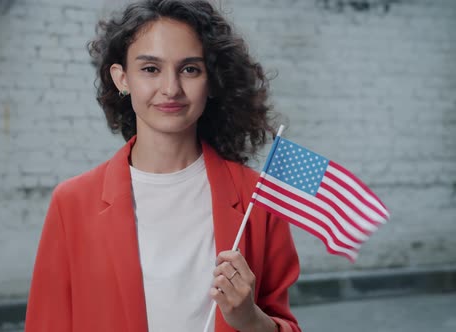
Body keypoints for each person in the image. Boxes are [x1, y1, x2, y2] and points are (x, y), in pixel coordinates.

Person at [25, 0, 301, 331]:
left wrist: (250, 320)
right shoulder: (72, 203)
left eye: (190, 69)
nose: (171, 89)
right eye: (150, 69)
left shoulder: (257, 199)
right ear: (122, 78)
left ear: (211, 81)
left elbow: (284, 323)